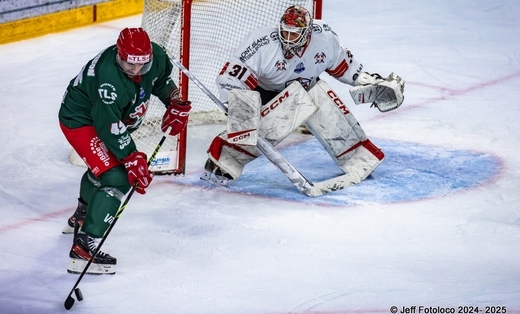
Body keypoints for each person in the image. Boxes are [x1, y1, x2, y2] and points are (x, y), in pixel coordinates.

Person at [201, 5, 404, 188]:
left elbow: (345, 65)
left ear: (307, 33)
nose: (288, 39)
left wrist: (370, 81)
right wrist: (239, 108)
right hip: (264, 94)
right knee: (267, 120)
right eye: (285, 32)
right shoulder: (261, 42)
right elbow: (232, 75)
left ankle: (358, 157)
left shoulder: (324, 37)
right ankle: (224, 160)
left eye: (294, 34)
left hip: (304, 89)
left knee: (319, 97)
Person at [58, 27, 192, 274]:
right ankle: (85, 246)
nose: (135, 71)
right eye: (129, 65)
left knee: (104, 167)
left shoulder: (158, 57)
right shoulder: (109, 79)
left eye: (142, 65)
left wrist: (174, 99)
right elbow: (108, 127)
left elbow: (160, 81)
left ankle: (82, 215)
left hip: (106, 118)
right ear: (119, 56)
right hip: (81, 120)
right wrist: (132, 158)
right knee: (118, 177)